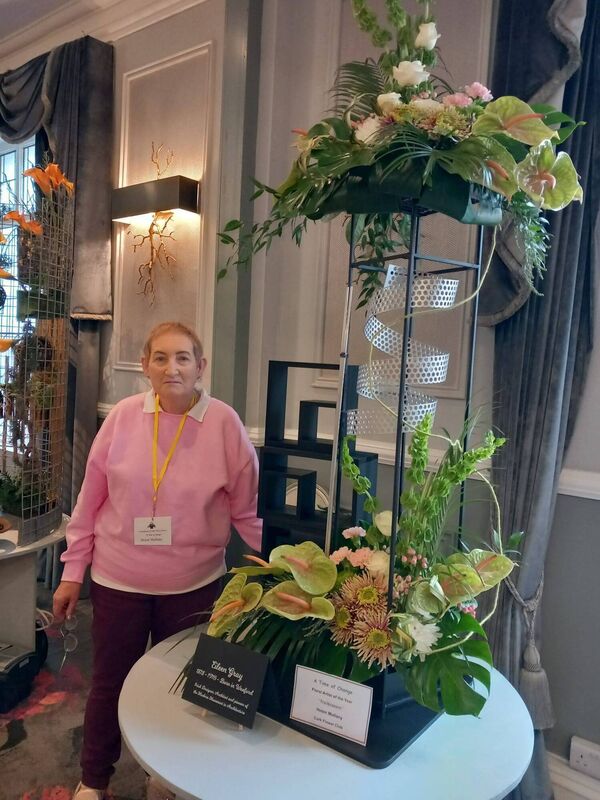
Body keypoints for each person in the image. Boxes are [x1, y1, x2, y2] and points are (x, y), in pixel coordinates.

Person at [52, 321, 262, 800]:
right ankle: (94, 779)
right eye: (161, 358)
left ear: (200, 366)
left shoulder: (225, 426)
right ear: (145, 365)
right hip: (118, 580)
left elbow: (246, 513)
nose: (172, 368)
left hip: (194, 585)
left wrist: (261, 583)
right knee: (109, 683)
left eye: (183, 357)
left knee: (180, 688)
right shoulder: (123, 417)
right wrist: (71, 574)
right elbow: (89, 503)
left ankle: (163, 776)